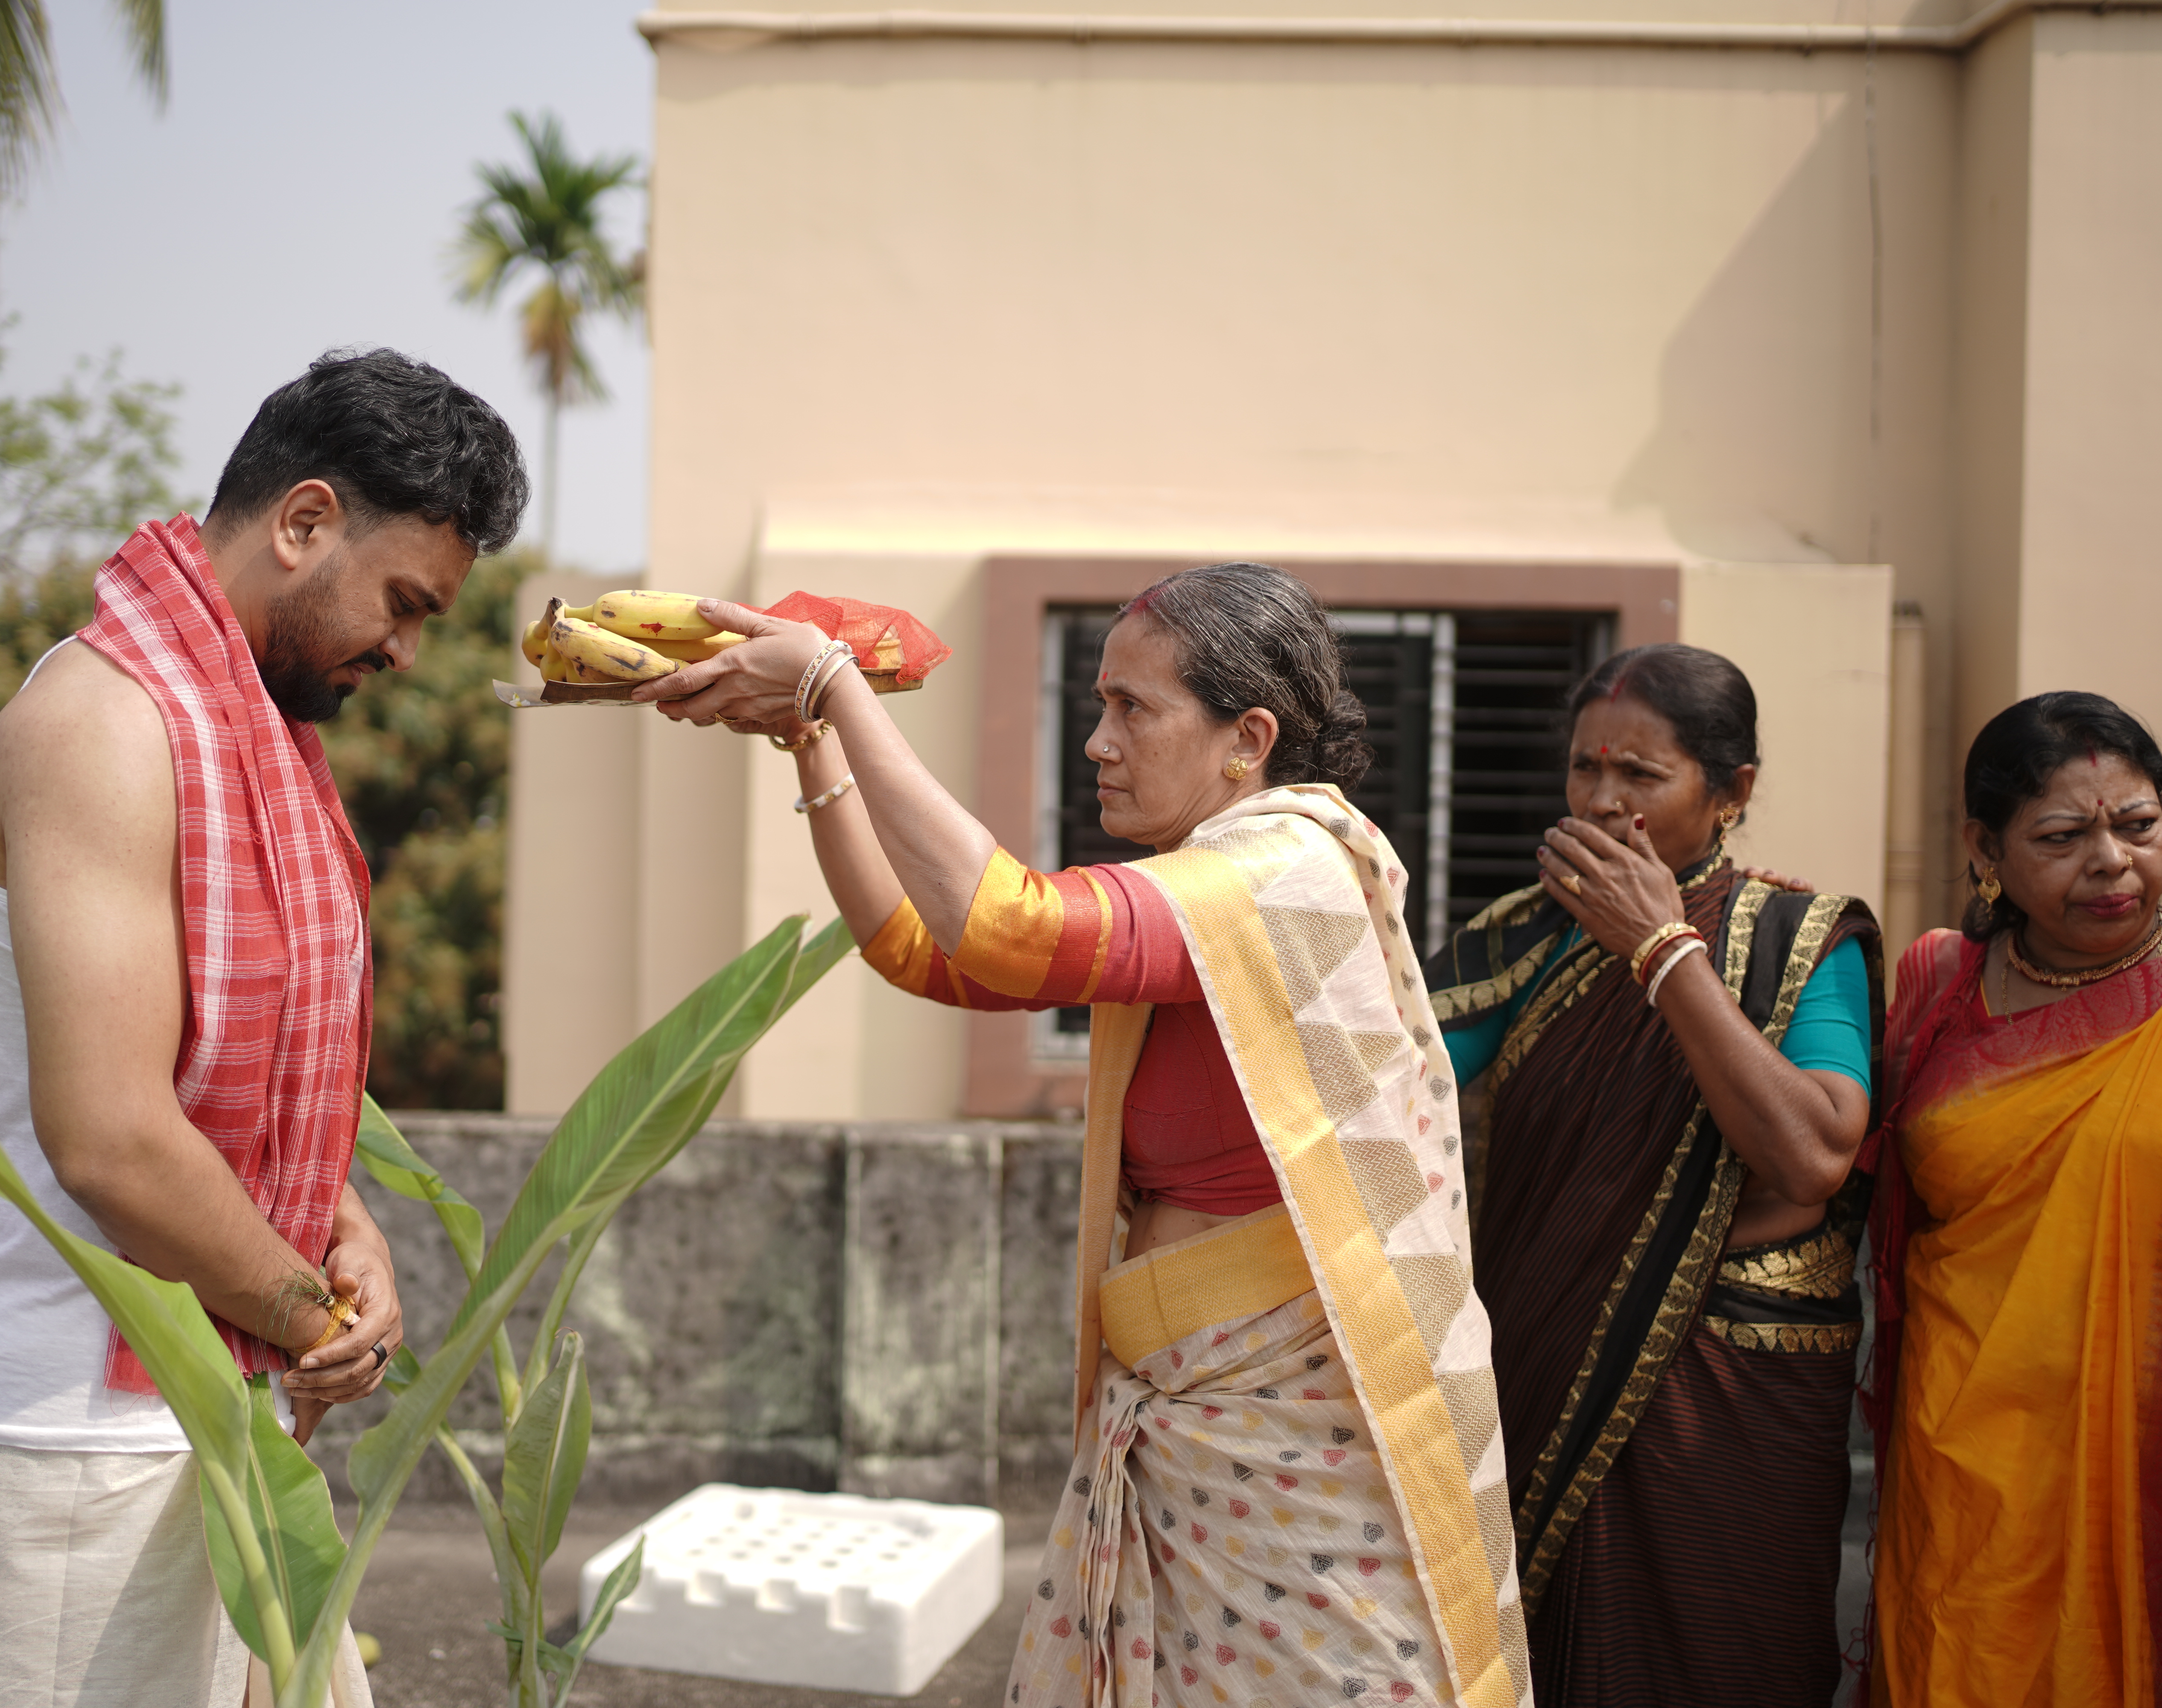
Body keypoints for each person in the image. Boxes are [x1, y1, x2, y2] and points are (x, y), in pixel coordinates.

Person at [0, 349, 530, 1707]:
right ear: (305, 522)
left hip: (192, 1424)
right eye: (405, 603)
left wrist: (341, 1223)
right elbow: (115, 1139)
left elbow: (237, 1081)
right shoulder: (104, 730)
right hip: (63, 1454)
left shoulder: (241, 733)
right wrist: (311, 1316)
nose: (407, 652)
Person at [639, 562, 1533, 1708]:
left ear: (1249, 738)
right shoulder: (1205, 884)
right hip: (1185, 1426)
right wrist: (816, 742)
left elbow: (1007, 927)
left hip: (1302, 1454)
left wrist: (837, 687)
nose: (1098, 743)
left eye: (1132, 708)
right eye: (1100, 703)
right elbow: (924, 949)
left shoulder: (1286, 873)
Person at [1420, 643, 1879, 1707]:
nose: (1602, 800)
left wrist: (1662, 947)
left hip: (1724, 1405)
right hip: (1544, 1357)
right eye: (1586, 768)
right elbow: (1379, 1088)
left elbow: (1813, 1151)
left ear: (1732, 790)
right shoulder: (1524, 938)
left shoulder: (1798, 939)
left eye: (1641, 774)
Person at [1864, 692, 2162, 1704]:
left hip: (2138, 1447)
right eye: (2063, 836)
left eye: (2139, 824)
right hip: (1963, 1445)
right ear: (1986, 849)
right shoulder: (1939, 981)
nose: (2113, 860)